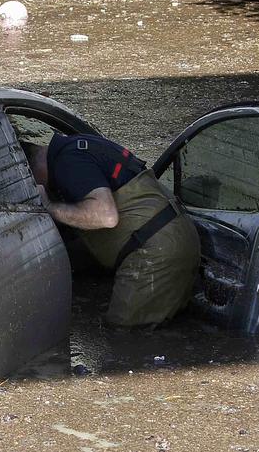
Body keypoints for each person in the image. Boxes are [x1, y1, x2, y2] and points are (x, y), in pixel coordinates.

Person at [24, 133, 200, 329]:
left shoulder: (68, 162)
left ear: (33, 172)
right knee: (157, 332)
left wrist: (49, 207)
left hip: (154, 252)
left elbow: (106, 216)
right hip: (174, 237)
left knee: (122, 337)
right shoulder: (78, 145)